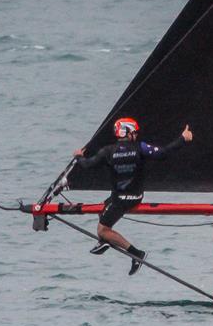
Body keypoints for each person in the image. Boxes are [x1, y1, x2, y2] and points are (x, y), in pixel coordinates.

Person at [73, 117, 193, 275]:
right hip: (136, 197)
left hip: (120, 200)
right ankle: (105, 242)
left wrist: (78, 156)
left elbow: (88, 165)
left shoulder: (108, 151)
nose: (136, 135)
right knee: (103, 207)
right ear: (128, 132)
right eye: (134, 133)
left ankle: (136, 254)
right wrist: (182, 139)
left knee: (102, 230)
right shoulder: (140, 148)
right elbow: (163, 153)